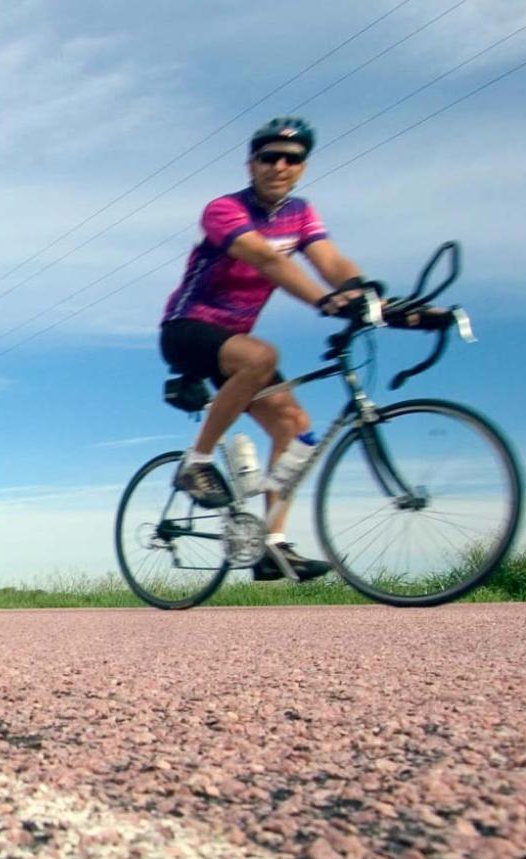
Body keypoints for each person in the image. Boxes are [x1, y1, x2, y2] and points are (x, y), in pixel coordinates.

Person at [158, 116, 369, 581]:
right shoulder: (224, 209)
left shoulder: (301, 213)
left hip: (233, 347)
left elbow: (330, 260)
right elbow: (265, 258)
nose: (279, 166)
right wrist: (325, 300)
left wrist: (360, 291)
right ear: (250, 164)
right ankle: (196, 464)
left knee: (295, 426)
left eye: (291, 159)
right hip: (187, 329)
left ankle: (272, 544)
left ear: (303, 167)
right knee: (262, 356)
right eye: (268, 157)